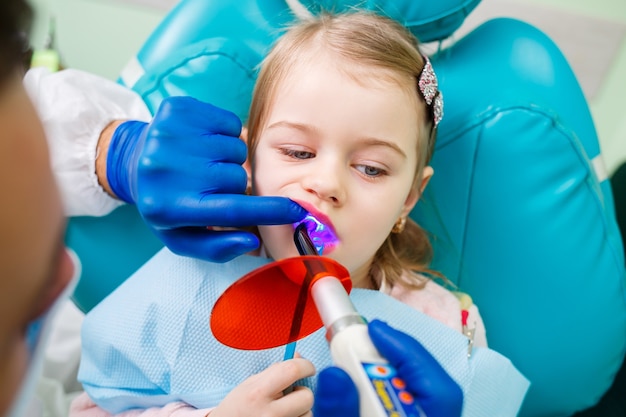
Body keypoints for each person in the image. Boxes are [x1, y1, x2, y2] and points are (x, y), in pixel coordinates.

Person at [1, 1, 465, 417]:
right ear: (249, 160)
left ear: (409, 197)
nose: (325, 184)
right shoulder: (179, 289)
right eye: (298, 153)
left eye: (370, 168)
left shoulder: (443, 326)